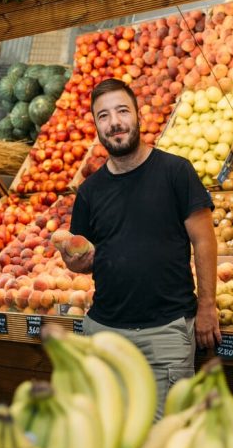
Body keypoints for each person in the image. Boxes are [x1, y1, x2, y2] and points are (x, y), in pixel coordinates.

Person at [56, 77, 221, 419]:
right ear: (97, 126)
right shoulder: (90, 192)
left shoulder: (176, 172)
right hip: (105, 331)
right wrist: (74, 260)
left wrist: (207, 306)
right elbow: (85, 262)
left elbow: (204, 241)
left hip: (166, 333)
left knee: (169, 438)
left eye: (121, 111)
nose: (114, 122)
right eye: (103, 116)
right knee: (111, 435)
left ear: (137, 116)